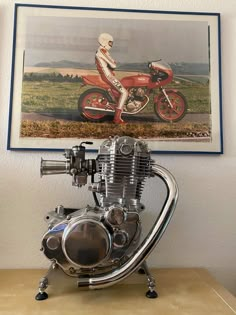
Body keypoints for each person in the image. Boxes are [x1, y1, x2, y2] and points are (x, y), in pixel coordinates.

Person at [95, 33, 128, 124]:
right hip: (107, 75)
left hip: (108, 74)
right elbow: (113, 64)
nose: (111, 45)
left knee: (123, 89)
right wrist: (113, 63)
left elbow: (112, 62)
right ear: (104, 41)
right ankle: (117, 118)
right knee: (124, 92)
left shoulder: (103, 51)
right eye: (110, 43)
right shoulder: (102, 51)